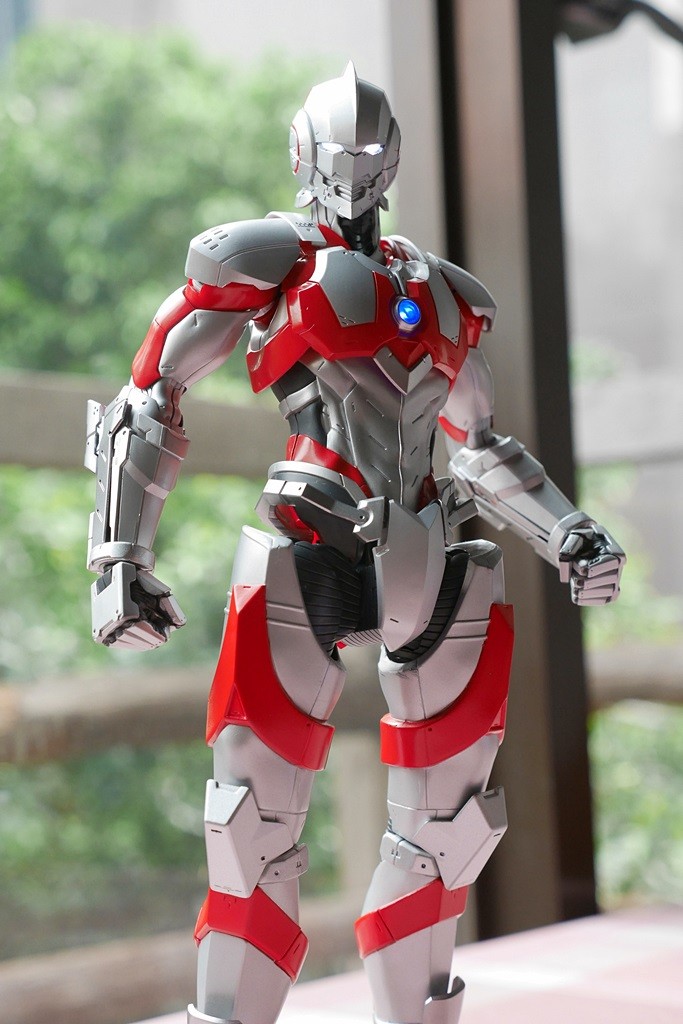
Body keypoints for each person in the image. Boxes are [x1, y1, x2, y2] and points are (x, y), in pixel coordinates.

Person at [86, 62, 624, 1024]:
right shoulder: (268, 261)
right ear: (304, 155)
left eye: (370, 153)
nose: (354, 169)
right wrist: (119, 561)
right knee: (251, 830)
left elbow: (478, 443)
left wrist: (568, 533)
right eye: (340, 152)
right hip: (313, 543)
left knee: (448, 834)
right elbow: (151, 390)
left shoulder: (445, 292)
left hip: (436, 551)